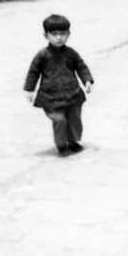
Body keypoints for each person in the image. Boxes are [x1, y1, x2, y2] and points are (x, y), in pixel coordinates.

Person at [24, 15, 94, 157]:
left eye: (63, 34)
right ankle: (61, 145)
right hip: (51, 97)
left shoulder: (71, 53)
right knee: (59, 120)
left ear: (68, 34)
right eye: (54, 34)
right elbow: (33, 72)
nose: (59, 38)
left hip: (72, 93)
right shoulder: (42, 55)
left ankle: (73, 142)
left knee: (74, 119)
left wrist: (87, 80)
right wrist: (30, 90)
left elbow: (81, 67)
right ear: (46, 35)